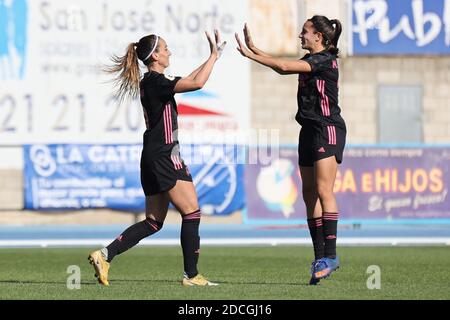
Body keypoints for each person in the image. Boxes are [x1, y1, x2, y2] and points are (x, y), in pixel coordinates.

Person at [88, 30, 226, 286]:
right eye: (165, 48)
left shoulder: (154, 82)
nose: (169, 52)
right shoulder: (156, 82)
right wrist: (213, 57)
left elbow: (189, 79)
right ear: (155, 56)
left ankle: (105, 255)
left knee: (154, 222)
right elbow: (197, 83)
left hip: (152, 154)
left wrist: (212, 58)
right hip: (164, 154)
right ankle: (192, 275)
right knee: (192, 211)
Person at [235, 16, 345, 285]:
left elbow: (283, 67)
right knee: (308, 196)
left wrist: (251, 55)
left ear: (319, 37)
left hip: (326, 128)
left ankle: (331, 256)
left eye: (305, 31)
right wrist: (255, 48)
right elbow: (283, 66)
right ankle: (319, 259)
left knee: (323, 191)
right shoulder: (311, 60)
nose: (300, 35)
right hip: (307, 130)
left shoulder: (324, 60)